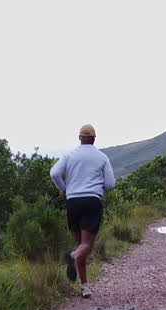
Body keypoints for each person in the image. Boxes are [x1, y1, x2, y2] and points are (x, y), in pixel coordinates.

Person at [49, 123, 116, 299]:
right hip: (92, 202)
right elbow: (110, 184)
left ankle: (85, 286)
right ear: (94, 139)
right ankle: (72, 257)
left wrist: (65, 189)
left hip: (72, 202)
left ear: (79, 138)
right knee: (86, 246)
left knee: (80, 244)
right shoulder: (102, 157)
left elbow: (54, 173)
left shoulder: (69, 155)